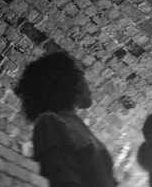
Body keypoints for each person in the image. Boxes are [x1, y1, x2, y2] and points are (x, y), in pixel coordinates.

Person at [15, 50, 117, 187]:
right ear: (73, 85)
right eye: (83, 81)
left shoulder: (79, 124)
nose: (90, 89)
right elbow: (63, 179)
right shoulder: (49, 122)